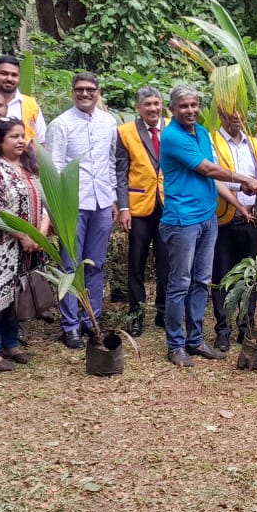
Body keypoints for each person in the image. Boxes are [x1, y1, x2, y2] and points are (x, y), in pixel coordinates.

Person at [157, 85, 257, 367]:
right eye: (183, 106)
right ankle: (175, 344)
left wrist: (239, 204)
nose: (190, 110)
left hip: (208, 218)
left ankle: (196, 340)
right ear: (173, 110)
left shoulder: (202, 133)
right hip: (182, 221)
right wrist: (245, 180)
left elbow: (212, 180)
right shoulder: (171, 137)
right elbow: (207, 169)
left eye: (193, 105)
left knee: (202, 281)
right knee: (180, 283)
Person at [45, 71, 119, 349]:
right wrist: (55, 211)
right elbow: (53, 169)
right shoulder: (60, 124)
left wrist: (112, 199)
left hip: (101, 202)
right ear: (72, 92)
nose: (85, 94)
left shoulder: (108, 122)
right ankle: (70, 325)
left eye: (90, 89)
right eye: (79, 89)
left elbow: (110, 162)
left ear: (98, 91)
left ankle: (92, 319)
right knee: (70, 265)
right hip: (72, 205)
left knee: (96, 264)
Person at [0, 118, 50, 371]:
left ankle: (12, 343)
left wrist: (39, 233)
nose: (20, 141)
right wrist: (23, 235)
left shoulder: (29, 167)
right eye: (13, 137)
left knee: (17, 295)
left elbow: (45, 203)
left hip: (28, 247)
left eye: (22, 136)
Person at [115, 86, 169, 337]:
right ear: (139, 108)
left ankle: (163, 311)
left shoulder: (171, 127)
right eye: (147, 104)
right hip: (138, 207)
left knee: (165, 261)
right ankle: (136, 315)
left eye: (156, 103)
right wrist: (123, 207)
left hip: (167, 205)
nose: (153, 108)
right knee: (136, 263)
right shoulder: (125, 132)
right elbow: (121, 173)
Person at [212, 109, 257, 353]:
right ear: (220, 114)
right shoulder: (212, 141)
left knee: (249, 276)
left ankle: (246, 326)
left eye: (239, 111)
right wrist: (241, 193)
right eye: (229, 112)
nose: (235, 116)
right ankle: (222, 330)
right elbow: (213, 176)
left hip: (252, 219)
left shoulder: (254, 144)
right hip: (223, 218)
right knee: (221, 276)